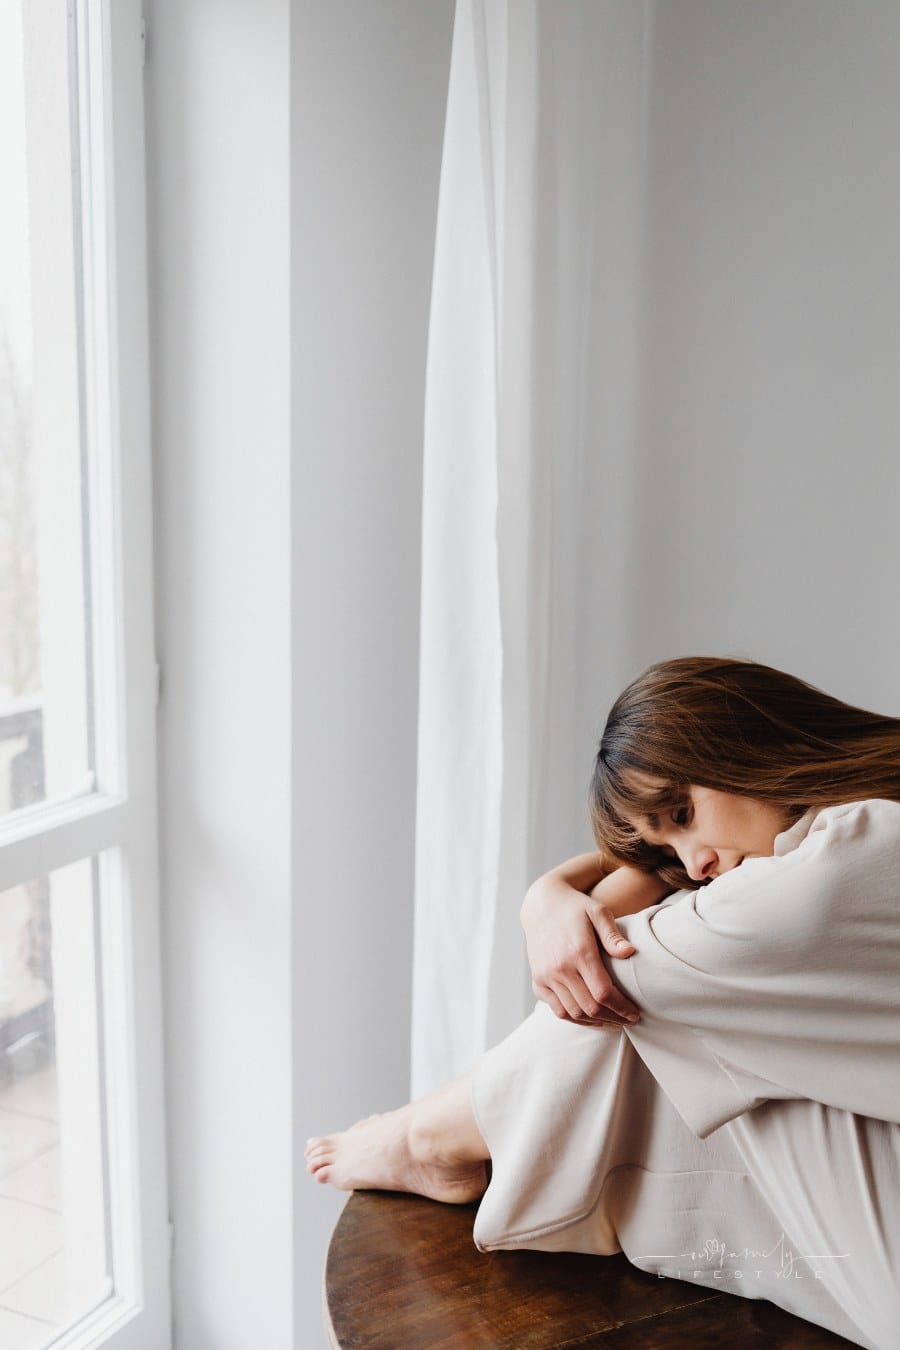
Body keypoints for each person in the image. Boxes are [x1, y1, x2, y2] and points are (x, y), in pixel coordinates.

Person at [306, 657, 900, 1349]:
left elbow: (597, 976)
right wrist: (555, 896)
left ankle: (429, 1140)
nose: (697, 863)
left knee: (621, 1015)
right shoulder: (871, 827)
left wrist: (548, 897)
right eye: (668, 847)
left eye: (682, 814)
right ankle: (438, 1140)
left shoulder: (834, 873)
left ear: (748, 741)